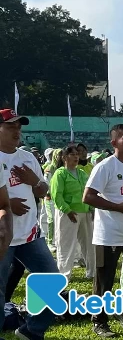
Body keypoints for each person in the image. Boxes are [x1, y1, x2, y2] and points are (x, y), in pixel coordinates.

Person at [0, 108, 58, 340]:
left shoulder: (28, 157)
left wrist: (34, 181)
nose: (17, 131)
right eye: (10, 126)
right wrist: (6, 204)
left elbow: (45, 191)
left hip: (30, 234)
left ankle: (32, 330)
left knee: (51, 280)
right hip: (4, 235)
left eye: (19, 126)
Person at [83, 124, 123, 337]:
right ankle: (99, 322)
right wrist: (118, 207)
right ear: (114, 142)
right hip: (108, 234)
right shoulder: (105, 166)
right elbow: (88, 196)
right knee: (104, 281)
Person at [51, 146, 95, 280]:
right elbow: (57, 195)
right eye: (72, 154)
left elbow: (88, 193)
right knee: (66, 244)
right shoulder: (60, 174)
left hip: (85, 212)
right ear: (64, 158)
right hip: (68, 213)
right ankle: (64, 274)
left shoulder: (82, 173)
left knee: (89, 244)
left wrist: (91, 209)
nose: (76, 157)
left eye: (77, 154)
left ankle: (92, 273)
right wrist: (67, 210)